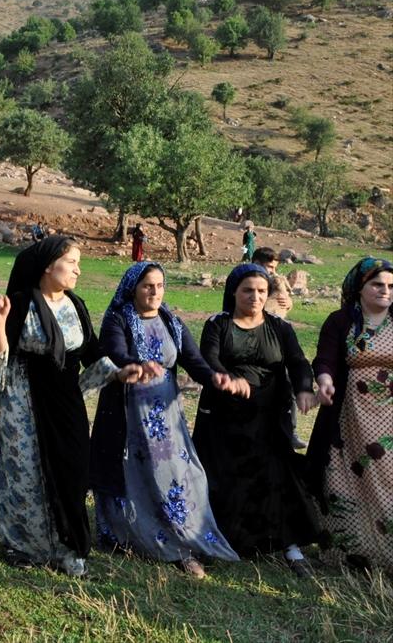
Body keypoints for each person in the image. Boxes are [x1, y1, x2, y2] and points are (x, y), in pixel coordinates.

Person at [0, 235, 141, 577]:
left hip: (66, 403)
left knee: (72, 471)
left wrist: (120, 371)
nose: (78, 271)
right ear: (47, 266)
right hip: (26, 400)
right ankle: (25, 547)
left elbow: (93, 353)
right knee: (24, 473)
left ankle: (70, 546)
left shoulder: (76, 305)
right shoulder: (22, 302)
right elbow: (0, 353)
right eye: (72, 262)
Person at [89, 261, 240, 578]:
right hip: (128, 417)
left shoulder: (171, 321)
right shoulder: (119, 319)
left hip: (167, 419)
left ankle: (186, 539)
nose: (155, 292)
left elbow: (194, 361)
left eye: (159, 285)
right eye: (147, 286)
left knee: (179, 476)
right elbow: (114, 352)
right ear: (134, 289)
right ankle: (150, 544)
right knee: (134, 480)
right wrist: (136, 364)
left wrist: (216, 379)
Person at [193, 263, 320, 577]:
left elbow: (298, 362)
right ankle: (215, 540)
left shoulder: (279, 327)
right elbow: (208, 357)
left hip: (268, 416)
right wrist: (223, 378)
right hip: (225, 417)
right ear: (233, 291)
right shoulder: (218, 324)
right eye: (247, 290)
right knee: (221, 477)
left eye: (262, 291)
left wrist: (305, 389)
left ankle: (290, 547)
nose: (255, 296)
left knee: (275, 478)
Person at [305, 257, 393, 572]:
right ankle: (352, 556)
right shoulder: (341, 321)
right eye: (377, 284)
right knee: (344, 482)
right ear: (360, 288)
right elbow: (325, 359)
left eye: (391, 286)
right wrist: (325, 382)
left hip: (389, 422)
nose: (385, 291)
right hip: (350, 418)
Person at [253, 246, 304, 448]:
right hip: (251, 342)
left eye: (274, 267)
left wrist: (288, 302)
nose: (272, 271)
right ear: (256, 263)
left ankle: (290, 431)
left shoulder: (272, 281)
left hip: (276, 340)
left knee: (286, 385)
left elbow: (284, 301)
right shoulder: (243, 280)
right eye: (268, 267)